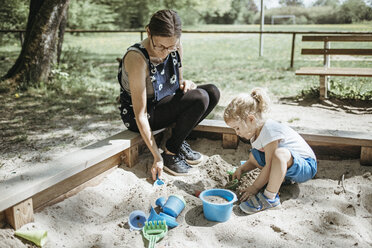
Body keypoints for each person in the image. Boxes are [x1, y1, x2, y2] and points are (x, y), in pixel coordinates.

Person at [117, 10, 220, 180]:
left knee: (212, 92)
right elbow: (140, 114)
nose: (165, 52)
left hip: (162, 103)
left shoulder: (175, 46)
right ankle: (170, 153)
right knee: (200, 97)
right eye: (160, 46)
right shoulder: (137, 58)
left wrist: (186, 84)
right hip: (141, 115)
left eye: (171, 46)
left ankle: (178, 142)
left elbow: (176, 83)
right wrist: (156, 156)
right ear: (148, 32)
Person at [223, 87, 317, 214]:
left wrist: (254, 187)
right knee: (255, 155)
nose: (237, 133)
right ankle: (283, 179)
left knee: (278, 155)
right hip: (290, 165)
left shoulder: (269, 130)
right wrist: (242, 169)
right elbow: (255, 160)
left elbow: (270, 164)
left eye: (237, 128)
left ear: (251, 119)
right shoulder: (255, 133)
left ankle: (270, 198)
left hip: (306, 165)